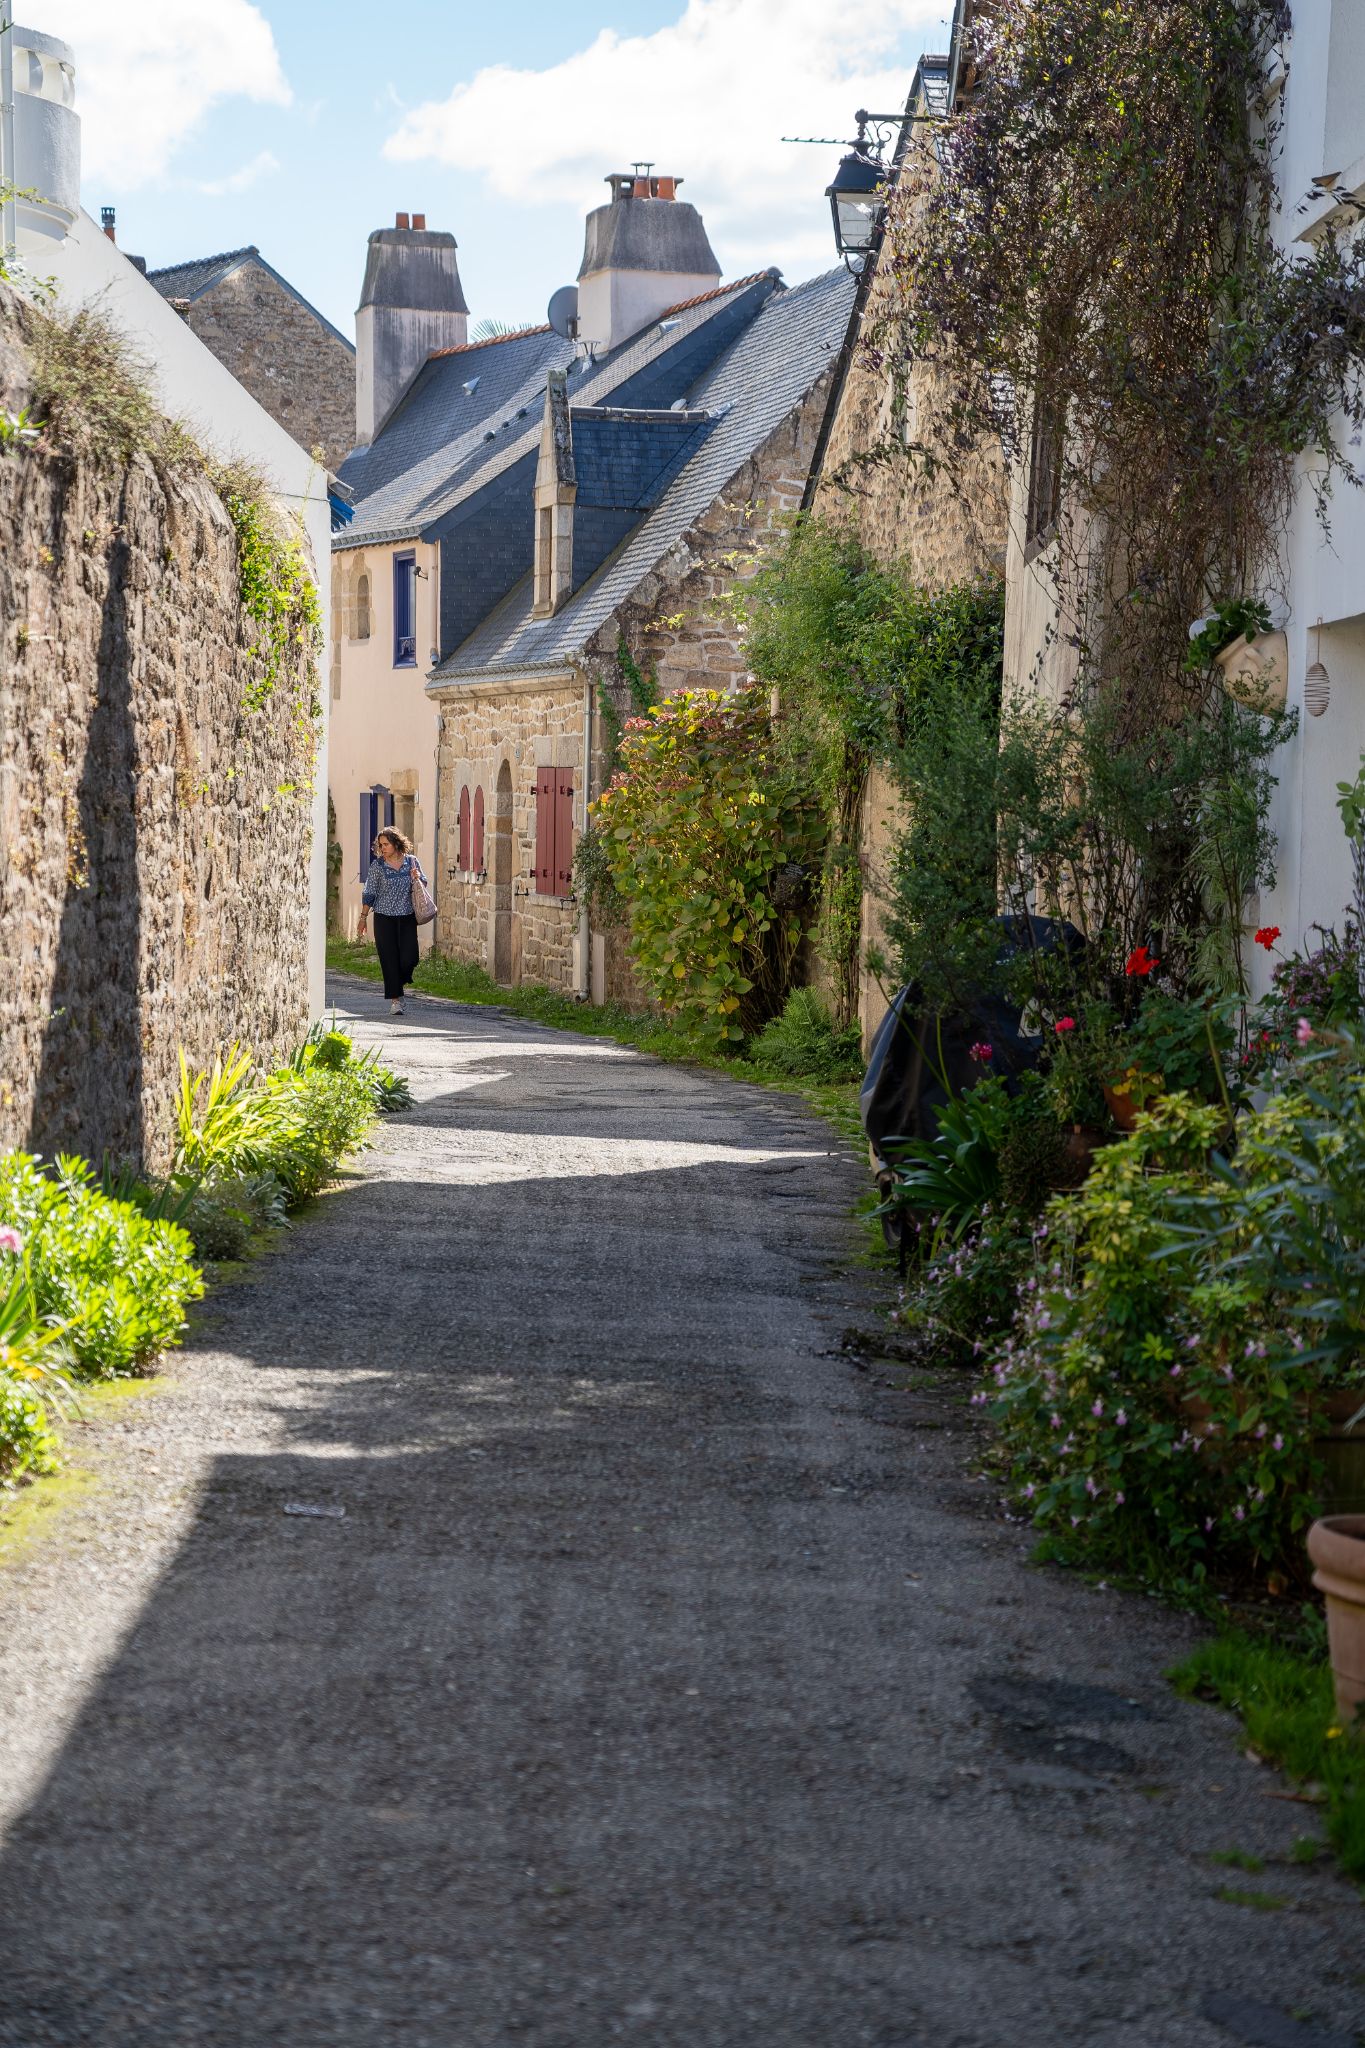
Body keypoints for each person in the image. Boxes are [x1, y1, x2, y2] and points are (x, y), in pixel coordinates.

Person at [357, 828, 429, 1014]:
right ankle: (396, 1000)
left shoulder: (412, 862)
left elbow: (424, 883)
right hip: (383, 918)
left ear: (396, 843)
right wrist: (363, 918)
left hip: (406, 917)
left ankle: (398, 981)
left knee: (409, 959)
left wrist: (417, 877)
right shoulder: (378, 866)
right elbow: (369, 892)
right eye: (380, 845)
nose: (383, 848)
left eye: (386, 844)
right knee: (389, 960)